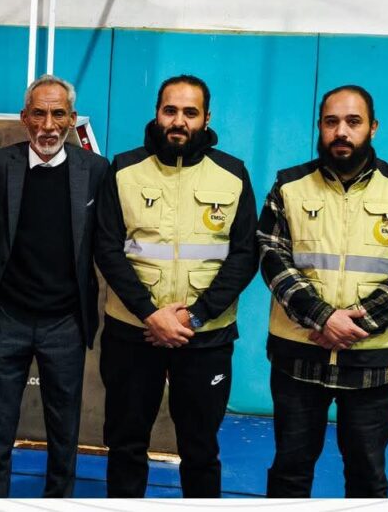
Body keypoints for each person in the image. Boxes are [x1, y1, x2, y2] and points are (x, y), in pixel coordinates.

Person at [258, 85, 388, 498]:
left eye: (353, 122)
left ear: (372, 128)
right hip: (298, 355)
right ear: (319, 127)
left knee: (367, 478)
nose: (341, 131)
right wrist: (323, 317)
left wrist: (357, 322)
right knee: (289, 474)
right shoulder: (288, 186)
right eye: (331, 121)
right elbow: (270, 255)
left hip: (373, 360)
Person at [94, 74, 257, 497]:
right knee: (126, 445)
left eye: (190, 112)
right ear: (157, 113)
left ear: (206, 118)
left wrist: (195, 316)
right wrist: (151, 314)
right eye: (170, 110)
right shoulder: (124, 169)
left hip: (205, 337)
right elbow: (106, 248)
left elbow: (245, 256)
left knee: (200, 450)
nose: (179, 121)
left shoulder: (233, 174)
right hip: (134, 333)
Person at [0, 74, 108, 497]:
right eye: (39, 114)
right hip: (7, 318)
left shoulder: (95, 171)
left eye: (58, 114)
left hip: (65, 322)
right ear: (24, 118)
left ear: (72, 118)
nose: (48, 125)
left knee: (64, 432)